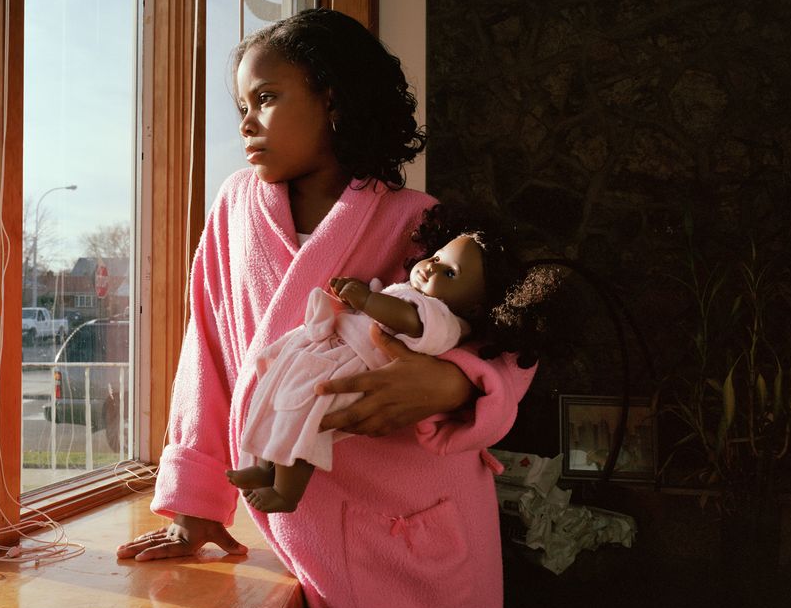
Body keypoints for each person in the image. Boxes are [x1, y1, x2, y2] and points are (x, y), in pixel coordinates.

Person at [116, 8, 534, 608]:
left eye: (267, 98)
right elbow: (205, 351)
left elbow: (512, 350)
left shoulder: (422, 223)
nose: (247, 122)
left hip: (415, 529)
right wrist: (197, 505)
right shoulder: (235, 209)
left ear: (334, 101)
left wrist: (455, 385)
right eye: (241, 105)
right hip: (294, 529)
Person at [226, 206, 561, 515]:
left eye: (450, 273)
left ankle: (287, 492)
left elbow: (408, 320)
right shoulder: (415, 292)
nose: (433, 265)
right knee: (285, 407)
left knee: (304, 416)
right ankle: (267, 465)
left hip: (352, 367)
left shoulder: (445, 320)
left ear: (473, 308)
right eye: (437, 256)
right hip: (334, 354)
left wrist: (368, 299)